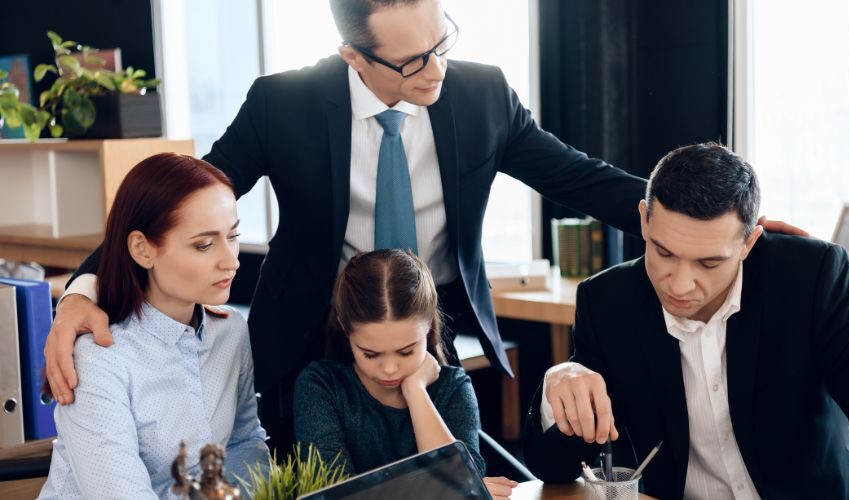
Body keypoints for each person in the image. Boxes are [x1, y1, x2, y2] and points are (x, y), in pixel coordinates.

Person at [44, 0, 801, 452]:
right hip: (311, 333)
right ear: (352, 54)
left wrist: (722, 225)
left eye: (443, 40)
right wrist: (87, 285)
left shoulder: (480, 94)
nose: (434, 69)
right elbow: (183, 198)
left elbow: (580, 177)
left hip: (431, 326)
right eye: (410, 62)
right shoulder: (286, 103)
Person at [523, 143, 849, 499]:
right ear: (643, 220)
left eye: (709, 263)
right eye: (664, 252)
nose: (680, 284)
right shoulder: (607, 302)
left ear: (749, 243)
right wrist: (556, 388)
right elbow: (552, 468)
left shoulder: (811, 279)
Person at [38, 154, 268, 499]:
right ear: (143, 250)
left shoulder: (231, 331)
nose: (231, 259)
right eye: (204, 244)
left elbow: (244, 442)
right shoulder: (100, 360)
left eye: (233, 235)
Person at [294, 249, 517, 499]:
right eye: (371, 354)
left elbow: (465, 489)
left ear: (428, 326)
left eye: (406, 352)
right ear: (345, 329)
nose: (390, 369)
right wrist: (438, 492)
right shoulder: (321, 387)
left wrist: (416, 390)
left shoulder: (453, 387)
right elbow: (339, 495)